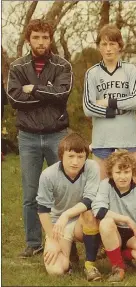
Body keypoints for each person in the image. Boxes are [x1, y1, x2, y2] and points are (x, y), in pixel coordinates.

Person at [6, 19, 72, 258]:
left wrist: (32, 89)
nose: (41, 42)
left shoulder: (62, 65)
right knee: (30, 193)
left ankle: (66, 241)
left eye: (45, 37)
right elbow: (14, 100)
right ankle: (33, 243)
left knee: (62, 190)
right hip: (28, 137)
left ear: (50, 39)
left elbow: (62, 94)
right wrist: (47, 92)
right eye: (36, 37)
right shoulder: (16, 67)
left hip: (57, 135)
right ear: (28, 39)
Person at [36, 133, 102, 280]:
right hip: (58, 224)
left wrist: (66, 215)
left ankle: (90, 265)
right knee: (57, 270)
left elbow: (90, 200)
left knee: (90, 213)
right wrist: (52, 239)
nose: (75, 162)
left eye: (80, 157)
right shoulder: (48, 175)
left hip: (80, 219)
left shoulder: (92, 167)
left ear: (86, 157)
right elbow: (43, 210)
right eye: (70, 156)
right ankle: (69, 252)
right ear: (61, 155)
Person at [83, 24, 136, 185]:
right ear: (99, 47)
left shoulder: (131, 70)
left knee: (133, 189)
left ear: (120, 47)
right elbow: (88, 107)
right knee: (101, 193)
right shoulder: (92, 73)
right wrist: (118, 111)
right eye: (104, 44)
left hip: (128, 139)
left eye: (112, 44)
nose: (108, 49)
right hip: (102, 140)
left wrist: (108, 103)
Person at [92, 150, 136, 282]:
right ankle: (118, 267)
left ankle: (122, 255)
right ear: (111, 173)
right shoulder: (106, 185)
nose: (122, 177)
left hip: (132, 234)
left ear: (133, 172)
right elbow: (99, 210)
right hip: (113, 232)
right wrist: (126, 219)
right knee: (105, 223)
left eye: (126, 172)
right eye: (118, 172)